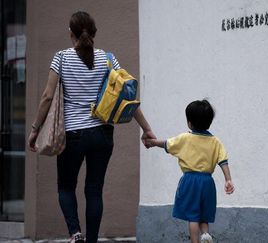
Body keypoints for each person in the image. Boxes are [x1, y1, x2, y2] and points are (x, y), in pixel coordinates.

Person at [27, 11, 155, 243]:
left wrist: (36, 129)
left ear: (70, 33)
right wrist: (146, 129)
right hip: (102, 134)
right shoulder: (108, 59)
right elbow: (126, 96)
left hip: (72, 135)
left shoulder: (61, 58)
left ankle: (76, 234)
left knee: (66, 187)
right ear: (94, 33)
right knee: (94, 190)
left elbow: (47, 96)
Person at [145, 99, 234, 243]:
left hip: (190, 181)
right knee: (203, 216)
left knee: (193, 216)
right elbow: (223, 161)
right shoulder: (215, 141)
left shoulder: (185, 138)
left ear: (190, 123)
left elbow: (167, 144)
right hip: (207, 182)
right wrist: (228, 179)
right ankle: (205, 235)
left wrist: (153, 142)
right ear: (209, 122)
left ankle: (195, 241)